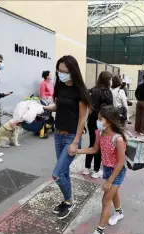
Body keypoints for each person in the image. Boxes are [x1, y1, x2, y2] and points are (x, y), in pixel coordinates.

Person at [42, 55, 91, 219]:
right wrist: (44, 107)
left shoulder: (80, 92)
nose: (61, 74)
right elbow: (59, 106)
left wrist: (76, 142)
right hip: (58, 135)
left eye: (65, 71)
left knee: (57, 174)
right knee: (64, 172)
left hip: (71, 137)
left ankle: (70, 201)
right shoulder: (60, 87)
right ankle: (67, 200)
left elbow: (82, 118)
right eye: (59, 71)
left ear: (73, 71)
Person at [76, 106, 127, 234]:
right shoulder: (99, 133)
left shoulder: (118, 138)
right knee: (113, 194)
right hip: (107, 169)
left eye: (100, 119)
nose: (97, 121)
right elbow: (94, 150)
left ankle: (100, 231)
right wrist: (77, 151)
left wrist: (109, 181)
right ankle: (119, 212)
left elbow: (121, 163)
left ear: (109, 121)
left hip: (117, 171)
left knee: (105, 200)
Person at [85, 71, 113, 178]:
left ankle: (87, 168)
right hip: (101, 122)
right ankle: (96, 170)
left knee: (92, 142)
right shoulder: (107, 92)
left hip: (91, 119)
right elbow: (109, 109)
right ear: (107, 80)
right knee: (99, 145)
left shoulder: (93, 90)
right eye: (110, 79)